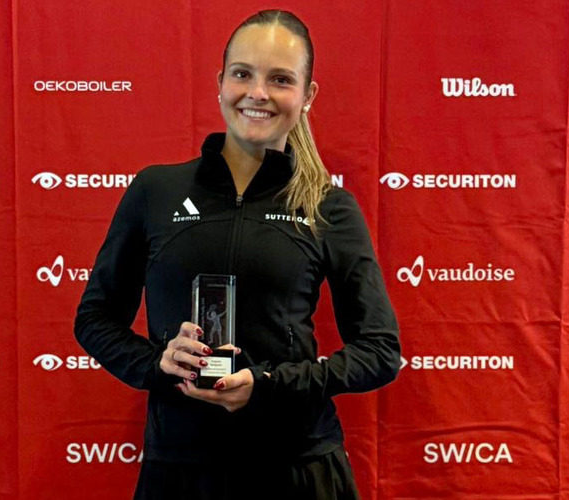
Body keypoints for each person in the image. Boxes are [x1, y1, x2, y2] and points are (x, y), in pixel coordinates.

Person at [74, 9, 401, 500]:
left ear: (308, 96)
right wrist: (159, 364)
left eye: (281, 79)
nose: (258, 93)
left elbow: (380, 351)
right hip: (181, 471)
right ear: (220, 83)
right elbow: (95, 318)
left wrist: (270, 384)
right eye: (243, 74)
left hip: (297, 469)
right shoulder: (154, 191)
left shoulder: (328, 206)